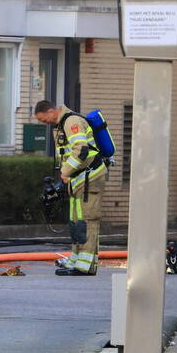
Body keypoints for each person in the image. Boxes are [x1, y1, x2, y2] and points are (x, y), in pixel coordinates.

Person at [34, 99, 107, 276]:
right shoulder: (61, 125)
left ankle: (86, 265)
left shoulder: (71, 122)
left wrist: (65, 172)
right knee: (76, 221)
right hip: (78, 179)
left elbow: (81, 150)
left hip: (89, 177)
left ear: (51, 112)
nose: (45, 123)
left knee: (88, 220)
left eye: (44, 119)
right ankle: (76, 258)